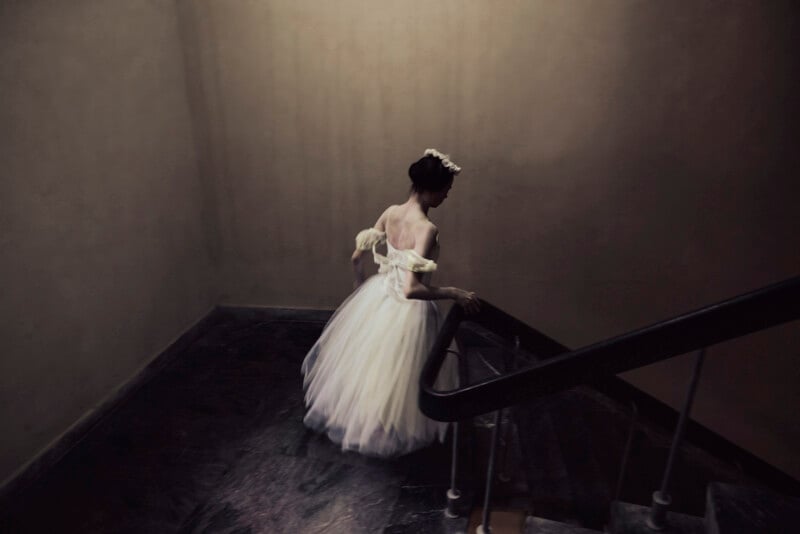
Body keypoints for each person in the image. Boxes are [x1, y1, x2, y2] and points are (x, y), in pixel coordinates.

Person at [300, 148, 480, 457]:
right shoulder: (427, 228)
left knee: (373, 367)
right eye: (446, 191)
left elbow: (357, 256)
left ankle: (367, 420)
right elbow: (411, 289)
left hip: (379, 294)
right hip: (407, 310)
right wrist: (454, 292)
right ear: (432, 189)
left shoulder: (391, 212)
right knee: (405, 371)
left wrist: (359, 294)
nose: (446, 197)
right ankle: (392, 427)